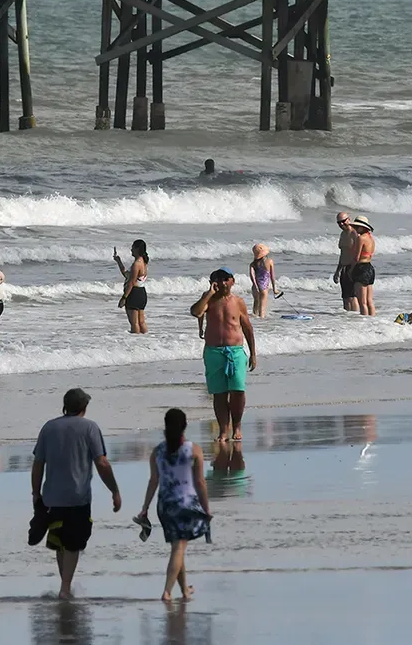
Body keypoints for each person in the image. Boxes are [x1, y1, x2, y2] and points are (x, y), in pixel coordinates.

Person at [31, 388, 122, 600]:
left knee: (60, 542)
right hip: (78, 497)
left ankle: (65, 585)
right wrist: (114, 490)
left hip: (51, 497)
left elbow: (38, 464)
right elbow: (102, 462)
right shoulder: (90, 428)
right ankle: (65, 588)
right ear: (84, 407)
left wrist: (35, 493)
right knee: (73, 543)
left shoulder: (49, 427)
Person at [137, 408, 212, 602]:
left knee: (177, 547)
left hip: (165, 506)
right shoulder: (193, 449)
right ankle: (167, 592)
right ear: (185, 426)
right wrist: (206, 508)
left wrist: (145, 507)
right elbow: (200, 483)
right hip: (185, 504)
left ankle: (185, 590)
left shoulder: (158, 451)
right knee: (179, 547)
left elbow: (153, 480)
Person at [190, 268, 257, 443]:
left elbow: (248, 328)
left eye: (225, 279)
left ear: (232, 281)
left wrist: (253, 354)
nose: (222, 283)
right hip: (213, 352)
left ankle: (237, 426)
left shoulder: (238, 302)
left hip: (235, 351)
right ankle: (223, 431)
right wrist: (208, 294)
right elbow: (196, 312)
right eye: (217, 280)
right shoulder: (209, 301)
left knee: (238, 391)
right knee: (219, 394)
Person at [115, 240, 149, 334]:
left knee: (134, 324)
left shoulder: (136, 264)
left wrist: (124, 297)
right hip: (141, 293)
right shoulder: (143, 262)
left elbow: (131, 282)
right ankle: (147, 341)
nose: (131, 249)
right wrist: (119, 261)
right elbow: (127, 275)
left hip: (134, 294)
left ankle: (136, 345)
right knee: (141, 322)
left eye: (133, 247)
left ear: (137, 249)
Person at [347, 216, 376, 316]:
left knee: (362, 302)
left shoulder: (361, 238)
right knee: (369, 301)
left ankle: (364, 324)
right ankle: (373, 321)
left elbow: (356, 257)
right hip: (370, 268)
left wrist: (351, 270)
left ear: (363, 228)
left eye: (357, 227)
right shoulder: (371, 239)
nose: (355, 229)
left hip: (361, 268)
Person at [333, 212, 359, 312]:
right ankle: (347, 320)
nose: (341, 224)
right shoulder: (343, 234)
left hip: (353, 268)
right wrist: (337, 271)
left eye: (343, 221)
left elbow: (359, 252)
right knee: (345, 297)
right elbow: (343, 253)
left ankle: (356, 318)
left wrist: (354, 269)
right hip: (344, 267)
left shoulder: (354, 233)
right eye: (339, 222)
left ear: (349, 219)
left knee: (353, 297)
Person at [248, 243, 279, 318]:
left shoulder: (252, 264)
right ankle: (262, 325)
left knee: (255, 308)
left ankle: (255, 324)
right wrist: (275, 289)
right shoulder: (269, 261)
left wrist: (255, 286)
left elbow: (252, 276)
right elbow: (272, 276)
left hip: (255, 287)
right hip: (264, 287)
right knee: (262, 311)